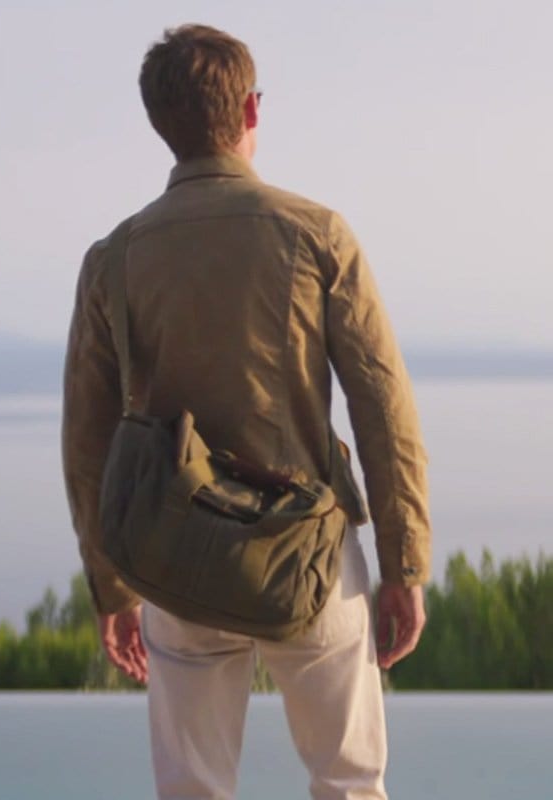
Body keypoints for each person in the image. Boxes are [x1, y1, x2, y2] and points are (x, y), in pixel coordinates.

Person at [62, 24, 431, 800]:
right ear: (251, 110)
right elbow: (382, 408)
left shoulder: (112, 260)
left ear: (159, 123)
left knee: (192, 791)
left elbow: (87, 443)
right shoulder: (316, 233)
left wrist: (113, 587)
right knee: (349, 783)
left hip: (174, 567)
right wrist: (405, 564)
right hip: (310, 564)